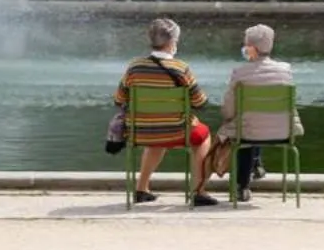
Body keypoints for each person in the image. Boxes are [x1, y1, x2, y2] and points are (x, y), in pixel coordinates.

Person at [113, 17, 217, 206]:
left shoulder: (135, 66)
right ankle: (198, 190)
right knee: (203, 135)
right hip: (176, 130)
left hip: (140, 130)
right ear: (173, 42)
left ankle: (141, 188)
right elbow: (199, 102)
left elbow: (119, 99)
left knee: (156, 136)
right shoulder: (181, 68)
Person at [208, 23, 301, 205]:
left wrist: (227, 118)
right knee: (255, 122)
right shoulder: (286, 70)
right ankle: (256, 163)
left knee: (245, 130)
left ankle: (242, 187)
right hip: (283, 133)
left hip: (250, 132)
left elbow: (228, 110)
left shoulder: (240, 73)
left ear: (251, 48)